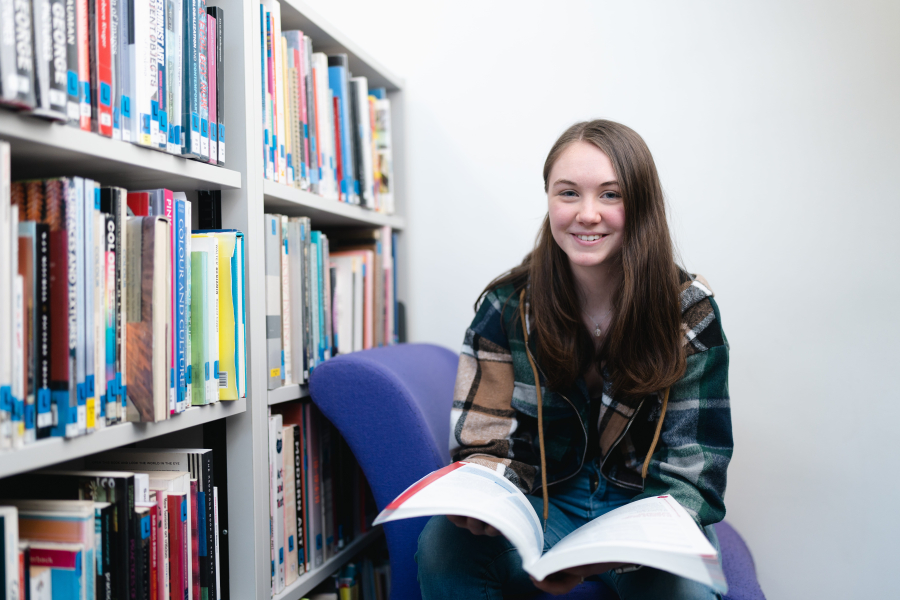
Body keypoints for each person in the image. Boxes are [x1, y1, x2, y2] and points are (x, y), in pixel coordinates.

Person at [415, 120, 733, 599]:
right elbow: (481, 443)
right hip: (544, 503)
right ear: (548, 199)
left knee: (686, 593)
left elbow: (695, 477)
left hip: (644, 509)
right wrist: (482, 495)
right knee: (441, 545)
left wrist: (609, 554)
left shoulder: (689, 310)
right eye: (569, 193)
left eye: (611, 195)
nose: (588, 214)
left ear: (641, 204)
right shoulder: (506, 305)